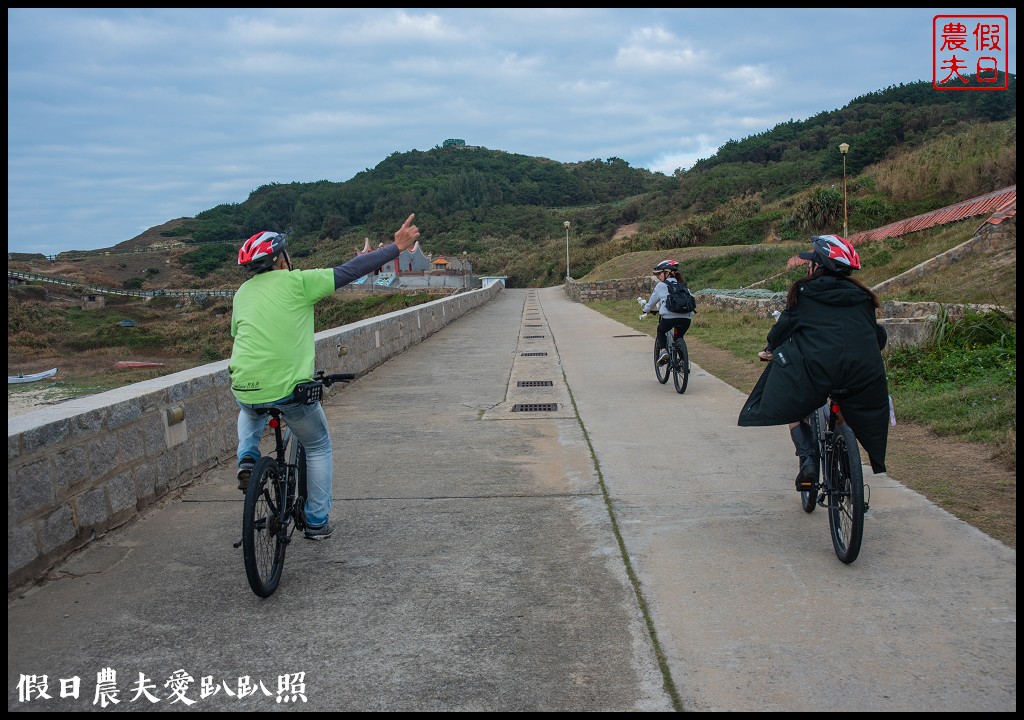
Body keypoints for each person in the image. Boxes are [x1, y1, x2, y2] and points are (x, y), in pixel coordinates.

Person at [229, 214, 421, 540]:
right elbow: (351, 270)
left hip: (245, 383)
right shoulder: (298, 282)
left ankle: (247, 458)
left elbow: (238, 334)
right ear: (280, 259)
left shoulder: (242, 294)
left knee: (249, 406)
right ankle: (316, 521)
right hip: (290, 391)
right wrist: (396, 247)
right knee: (317, 445)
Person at [737, 234, 890, 490]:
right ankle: (846, 460)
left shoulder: (804, 292)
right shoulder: (863, 296)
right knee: (846, 407)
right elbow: (876, 335)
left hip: (816, 371)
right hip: (860, 373)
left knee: (794, 408)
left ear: (817, 265)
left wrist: (771, 348)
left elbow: (783, 328)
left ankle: (808, 459)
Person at [640, 259, 695, 366]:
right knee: (678, 337)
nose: (659, 277)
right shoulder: (683, 285)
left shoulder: (661, 285)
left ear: (667, 273)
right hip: (686, 318)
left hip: (669, 318)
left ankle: (664, 351)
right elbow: (691, 299)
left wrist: (645, 310)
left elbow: (651, 303)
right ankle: (683, 362)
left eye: (660, 273)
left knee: (660, 330)